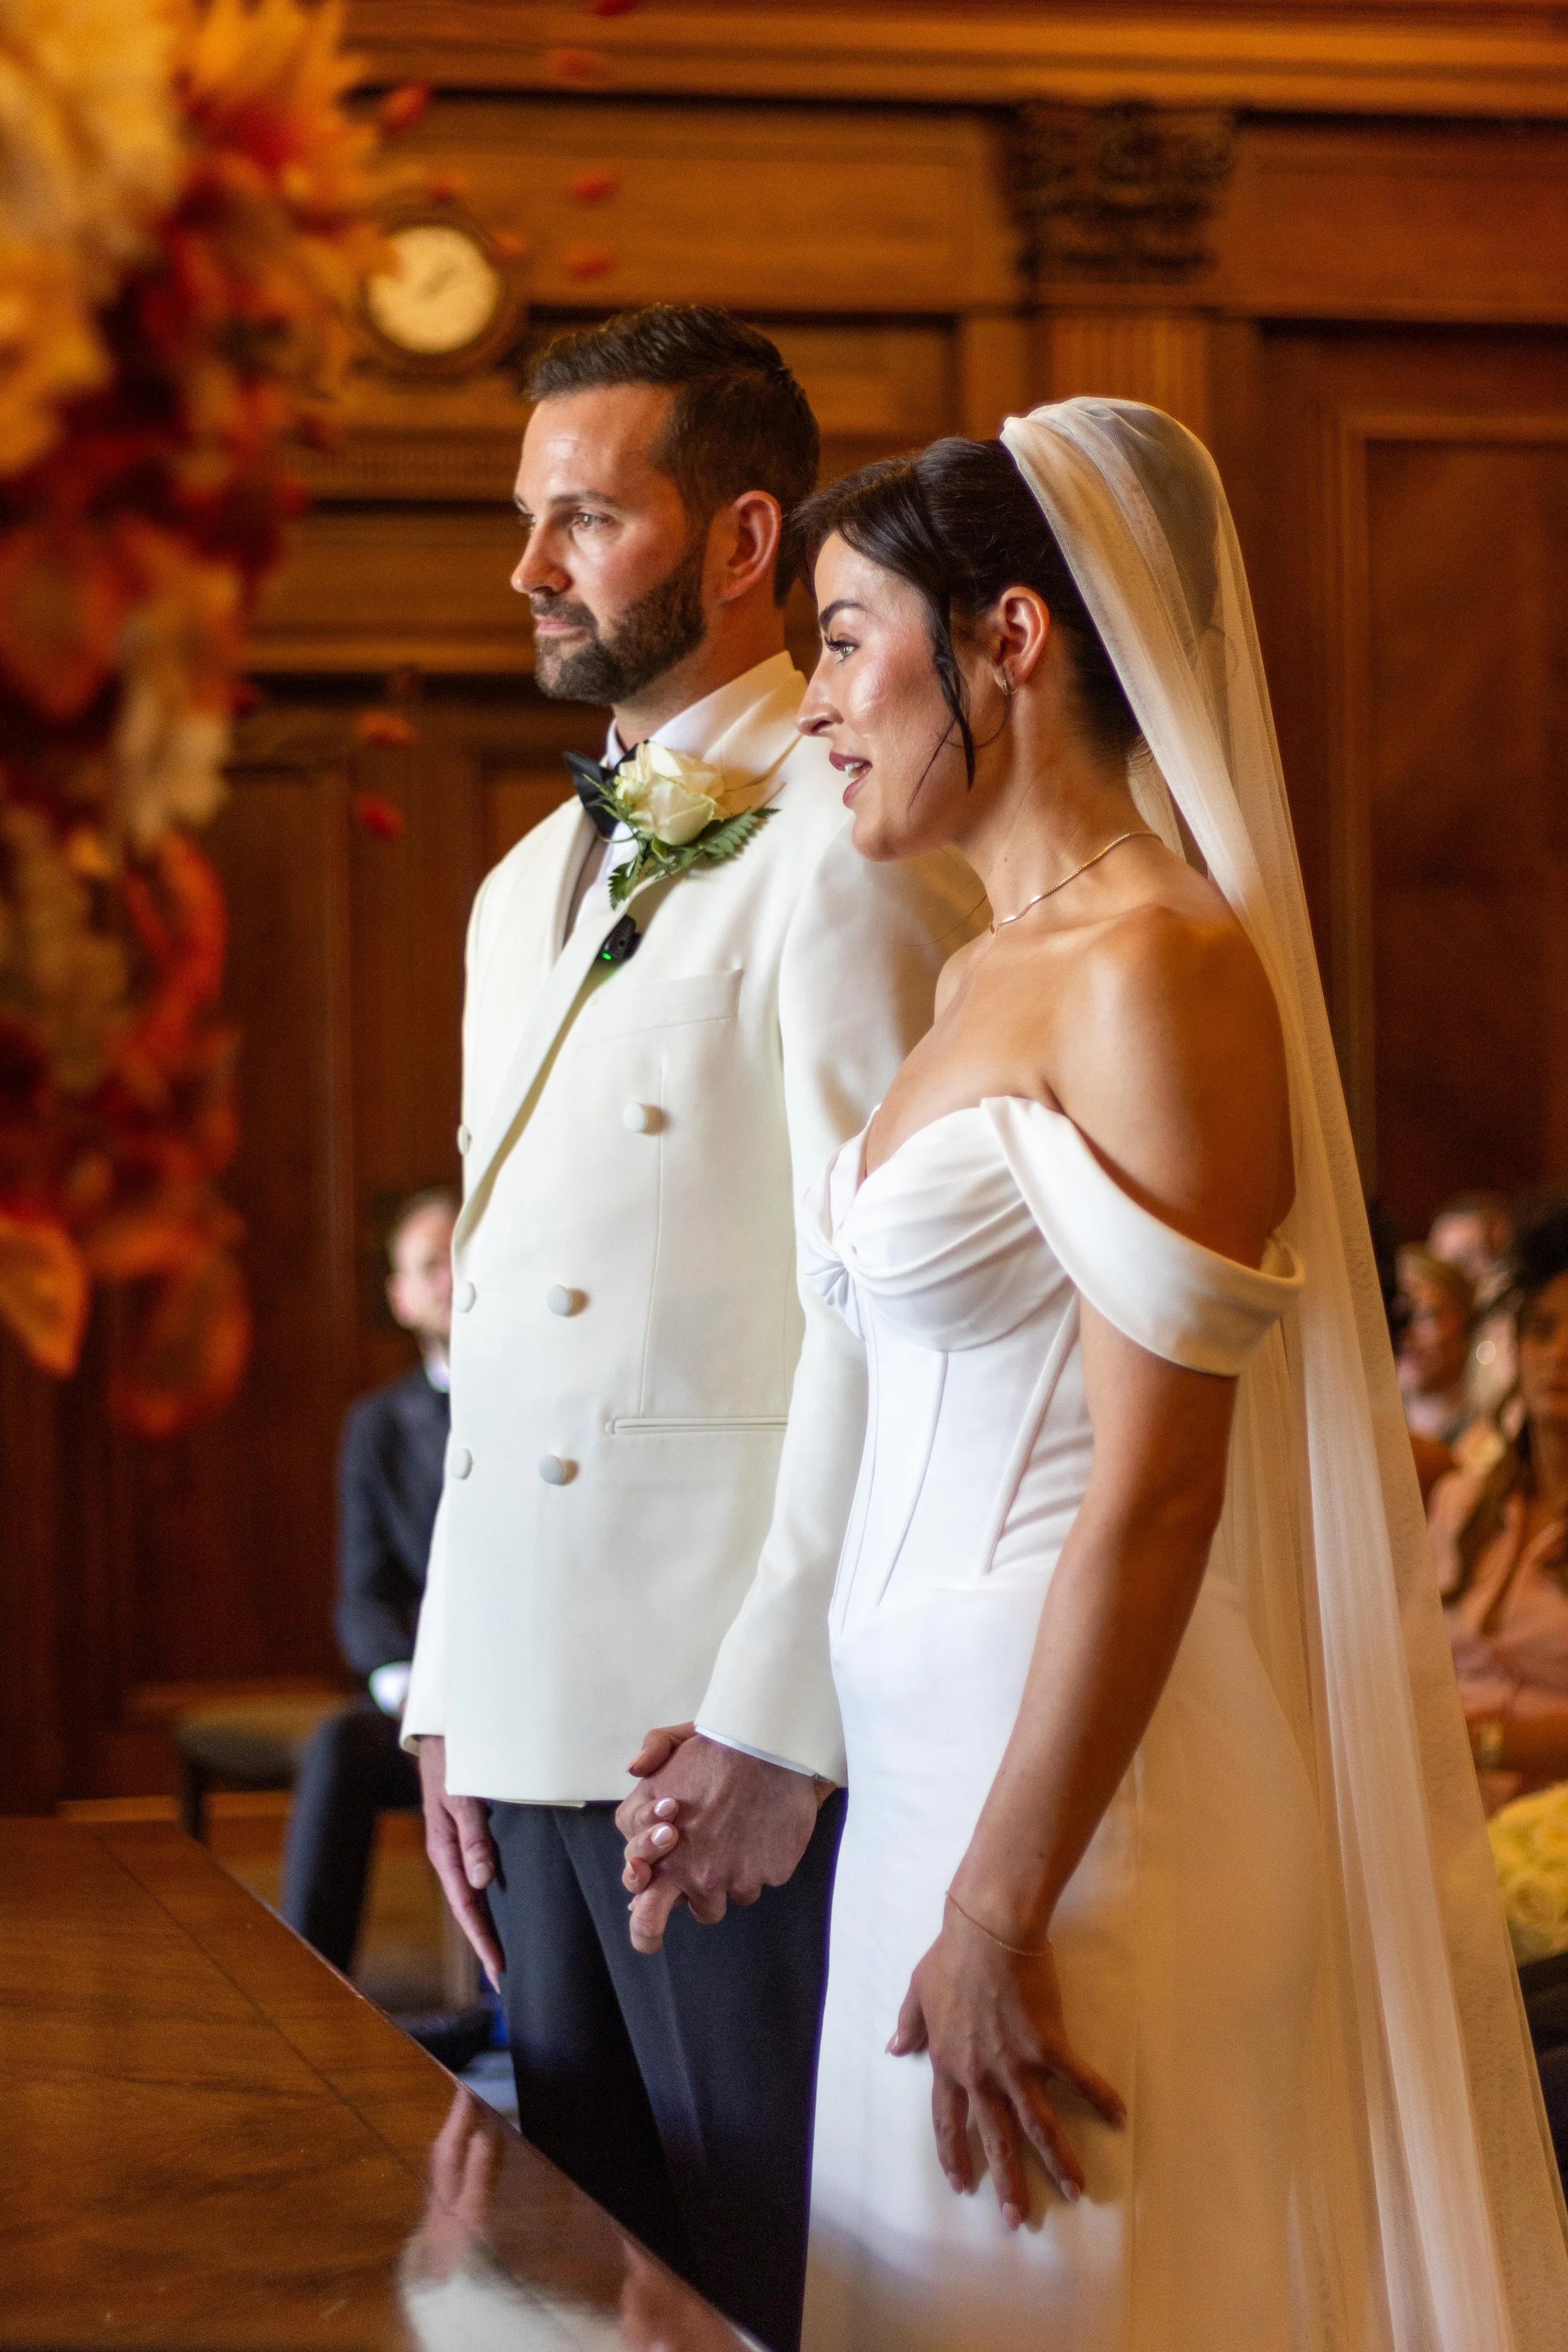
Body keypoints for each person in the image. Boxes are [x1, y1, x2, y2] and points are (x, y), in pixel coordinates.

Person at [620, 408, 1568, 2345]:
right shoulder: (986, 970)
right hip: (929, 1786)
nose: (811, 702)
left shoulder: (1159, 967)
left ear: (1013, 638)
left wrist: (997, 1898)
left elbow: (1150, 1487)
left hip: (1088, 1816)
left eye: (850, 633)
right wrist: (789, 1755)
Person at [402, 305, 981, 2352]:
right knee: (579, 2291)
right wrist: (452, 1686)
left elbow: (878, 1316)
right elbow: (500, 1319)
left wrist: (774, 1723)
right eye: (528, 522)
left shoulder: (861, 854)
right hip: (537, 1700)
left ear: (744, 537)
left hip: (724, 1733)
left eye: (586, 519)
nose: (534, 569)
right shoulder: (509, 887)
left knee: (755, 2283)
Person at [280, 1189, 454, 1973]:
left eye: (459, 1254)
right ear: (401, 1297)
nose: (449, 1278)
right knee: (342, 1746)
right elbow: (364, 1588)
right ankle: (308, 1993)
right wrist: (412, 1695)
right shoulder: (379, 1425)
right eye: (427, 1266)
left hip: (545, 1688)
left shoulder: (558, 1404)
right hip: (429, 1695)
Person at [1431, 1205, 1568, 1814]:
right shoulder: (1462, 1502)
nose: (1559, 1353)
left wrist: (1481, 1745)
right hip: (1444, 1812)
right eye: (1541, 1330)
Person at [1430, 1189, 1517, 1422]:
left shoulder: (1512, 1336)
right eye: (1441, 1264)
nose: (1450, 1278)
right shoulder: (1429, 1336)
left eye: (1465, 1260)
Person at [1397, 1241, 1479, 1449]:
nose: (1406, 1335)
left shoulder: (1495, 1430)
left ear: (1467, 1325)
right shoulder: (1375, 1434)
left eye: (1425, 1316)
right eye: (1397, 1319)